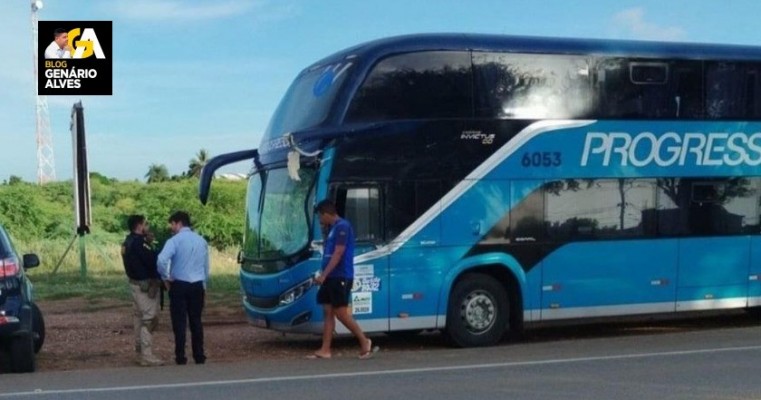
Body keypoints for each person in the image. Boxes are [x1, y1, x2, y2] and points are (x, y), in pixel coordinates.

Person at [308, 199, 379, 360]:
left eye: (320, 216)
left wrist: (324, 275)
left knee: (341, 313)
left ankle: (364, 341)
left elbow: (339, 253)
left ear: (327, 214)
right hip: (330, 276)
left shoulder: (342, 227)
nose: (320, 220)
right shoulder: (332, 229)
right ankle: (325, 350)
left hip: (340, 276)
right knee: (328, 311)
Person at [157, 211, 209, 365]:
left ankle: (180, 356)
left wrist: (165, 276)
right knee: (196, 321)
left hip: (179, 284)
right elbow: (206, 266)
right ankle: (199, 355)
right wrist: (204, 285)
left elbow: (161, 260)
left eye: (172, 224)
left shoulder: (174, 241)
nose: (171, 227)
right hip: (197, 284)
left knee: (179, 322)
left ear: (178, 223)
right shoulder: (201, 241)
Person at [121, 215, 164, 367]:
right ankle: (147, 355)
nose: (147, 226)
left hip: (134, 284)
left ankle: (140, 352)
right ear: (139, 226)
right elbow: (153, 260)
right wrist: (154, 247)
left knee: (138, 317)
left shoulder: (128, 241)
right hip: (145, 286)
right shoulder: (140, 243)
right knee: (149, 319)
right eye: (145, 224)